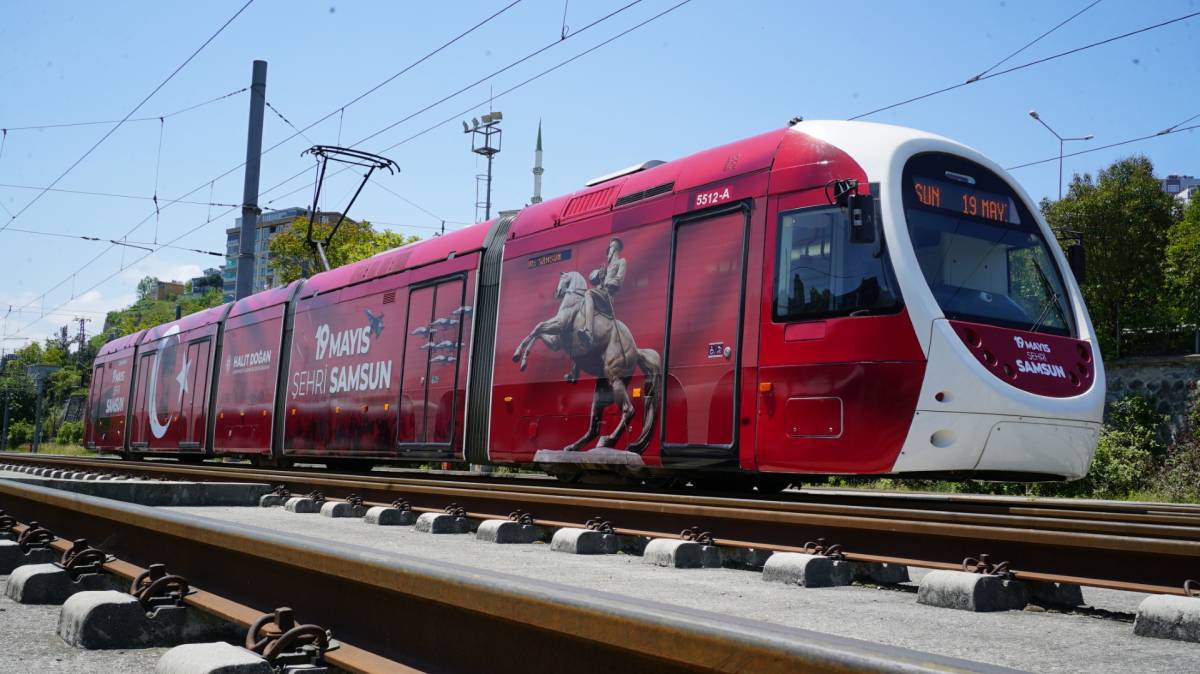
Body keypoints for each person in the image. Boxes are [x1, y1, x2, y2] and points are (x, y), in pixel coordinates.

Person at [578, 237, 626, 348]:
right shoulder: (606, 268)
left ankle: (589, 332)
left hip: (608, 296)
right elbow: (592, 279)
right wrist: (600, 275)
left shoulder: (621, 262)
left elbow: (619, 280)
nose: (607, 254)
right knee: (582, 299)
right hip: (601, 293)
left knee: (588, 294)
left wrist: (606, 283)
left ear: (613, 249)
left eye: (609, 250)